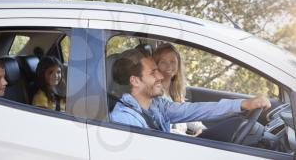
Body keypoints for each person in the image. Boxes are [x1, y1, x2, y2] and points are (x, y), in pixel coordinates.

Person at [110, 48, 271, 141]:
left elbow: (194, 110)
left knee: (235, 124)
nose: (160, 76)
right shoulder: (124, 120)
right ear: (135, 81)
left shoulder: (157, 105)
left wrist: (243, 104)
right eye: (153, 73)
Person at [153, 43, 205, 136]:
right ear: (156, 66)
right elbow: (166, 131)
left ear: (178, 65)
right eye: (163, 62)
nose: (169, 66)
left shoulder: (176, 94)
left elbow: (189, 115)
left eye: (172, 61)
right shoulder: (154, 97)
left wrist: (201, 129)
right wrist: (192, 138)